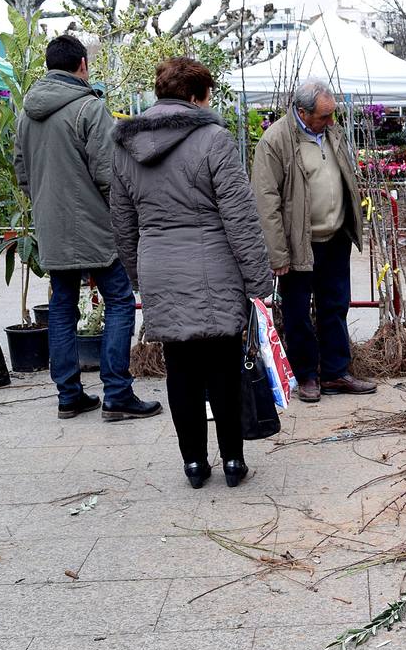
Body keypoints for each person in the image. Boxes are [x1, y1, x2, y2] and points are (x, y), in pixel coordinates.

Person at [112, 58, 273, 489]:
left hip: (159, 263)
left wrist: (138, 275)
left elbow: (123, 220)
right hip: (215, 265)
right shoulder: (213, 139)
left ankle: (194, 465)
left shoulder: (125, 144)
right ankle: (234, 461)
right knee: (223, 365)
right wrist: (259, 281)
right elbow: (240, 217)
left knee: (179, 367)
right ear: (197, 97)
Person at [14, 34, 160, 422]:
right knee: (120, 299)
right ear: (82, 65)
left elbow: (21, 172)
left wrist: (47, 203)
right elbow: (107, 174)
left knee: (61, 307)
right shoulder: (90, 108)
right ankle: (117, 393)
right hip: (94, 224)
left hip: (50, 224)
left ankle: (69, 396)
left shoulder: (26, 113)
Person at [252, 79, 376, 403]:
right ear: (303, 112)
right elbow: (266, 201)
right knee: (297, 312)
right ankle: (306, 375)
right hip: (298, 243)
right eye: (323, 116)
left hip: (334, 238)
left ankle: (336, 372)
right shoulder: (276, 140)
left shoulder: (331, 132)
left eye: (332, 114)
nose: (331, 121)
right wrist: (278, 253)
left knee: (335, 305)